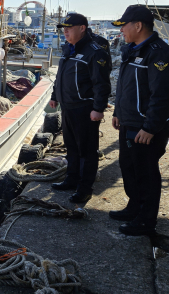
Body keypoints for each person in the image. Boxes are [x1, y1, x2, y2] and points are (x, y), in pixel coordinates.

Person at [111, 5, 169, 236]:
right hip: (129, 123)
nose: (121, 31)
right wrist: (118, 112)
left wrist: (150, 128)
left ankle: (146, 220)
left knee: (146, 173)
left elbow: (162, 96)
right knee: (128, 168)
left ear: (138, 25)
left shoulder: (159, 54)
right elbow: (126, 86)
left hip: (146, 128)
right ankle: (134, 207)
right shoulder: (132, 50)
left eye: (124, 26)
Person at [49, 13, 111, 203]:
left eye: (69, 27)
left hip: (85, 108)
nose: (65, 31)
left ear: (82, 28)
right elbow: (61, 75)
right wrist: (55, 96)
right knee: (72, 148)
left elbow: (101, 83)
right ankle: (71, 179)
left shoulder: (95, 51)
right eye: (63, 28)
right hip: (68, 107)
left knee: (87, 151)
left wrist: (98, 108)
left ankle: (84, 188)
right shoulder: (70, 47)